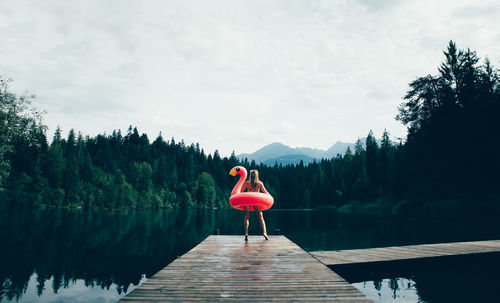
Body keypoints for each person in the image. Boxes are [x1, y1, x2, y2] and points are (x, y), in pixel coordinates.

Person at [241, 169, 270, 241]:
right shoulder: (260, 183)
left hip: (247, 200)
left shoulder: (247, 183)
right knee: (261, 217)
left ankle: (246, 233)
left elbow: (240, 191)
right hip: (256, 200)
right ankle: (265, 233)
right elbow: (266, 192)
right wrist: (271, 198)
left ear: (250, 175)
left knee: (247, 216)